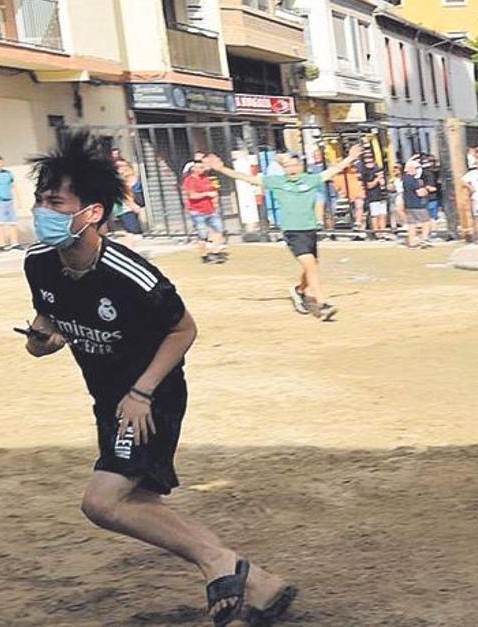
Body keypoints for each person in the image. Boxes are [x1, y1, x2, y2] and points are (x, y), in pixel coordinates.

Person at [21, 131, 296, 626]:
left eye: (55, 203)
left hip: (151, 397)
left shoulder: (132, 275)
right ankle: (260, 584)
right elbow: (49, 317)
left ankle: (219, 564)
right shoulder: (38, 264)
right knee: (139, 504)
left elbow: (183, 329)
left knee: (102, 502)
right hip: (106, 399)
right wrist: (43, 338)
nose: (44, 211)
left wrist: (142, 392)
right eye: (41, 201)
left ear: (92, 213)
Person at [208, 145, 362, 321]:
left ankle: (299, 291)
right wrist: (222, 169)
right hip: (292, 231)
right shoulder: (277, 182)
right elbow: (247, 178)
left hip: (309, 229)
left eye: (295, 165)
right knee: (311, 266)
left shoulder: (311, 180)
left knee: (311, 267)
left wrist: (350, 158)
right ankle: (323, 304)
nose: (292, 169)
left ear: (301, 166)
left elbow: (333, 170)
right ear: (283, 168)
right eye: (288, 166)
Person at [182, 163, 227, 264]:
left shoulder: (207, 179)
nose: (203, 169)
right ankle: (204, 256)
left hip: (211, 210)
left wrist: (215, 203)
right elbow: (192, 196)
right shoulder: (189, 180)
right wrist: (207, 194)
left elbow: (214, 191)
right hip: (197, 211)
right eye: (201, 167)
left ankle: (216, 253)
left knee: (219, 231)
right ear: (194, 169)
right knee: (203, 234)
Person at [0, 154, 20, 251]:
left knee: (13, 222)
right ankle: (2, 245)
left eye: (0, 162)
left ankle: (14, 243)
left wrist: (18, 200)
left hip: (9, 200)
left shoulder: (8, 174)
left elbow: (13, 187)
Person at [401, 157, 435, 249]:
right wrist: (427, 190)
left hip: (409, 205)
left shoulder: (405, 179)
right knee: (426, 222)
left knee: (412, 224)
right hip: (418, 205)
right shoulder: (412, 180)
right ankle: (425, 240)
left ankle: (412, 243)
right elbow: (420, 193)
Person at [112, 160, 146, 248]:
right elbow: (124, 196)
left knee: (132, 233)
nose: (121, 169)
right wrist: (133, 206)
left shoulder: (134, 177)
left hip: (133, 207)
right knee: (134, 233)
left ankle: (131, 249)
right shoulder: (118, 180)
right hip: (125, 209)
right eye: (117, 167)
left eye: (123, 166)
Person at [360, 153, 389, 238]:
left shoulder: (379, 170)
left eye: (371, 161)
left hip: (382, 195)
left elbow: (384, 184)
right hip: (373, 196)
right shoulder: (366, 173)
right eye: (367, 162)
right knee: (375, 215)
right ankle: (377, 232)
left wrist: (382, 181)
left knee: (383, 214)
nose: (370, 164)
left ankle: (383, 231)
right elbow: (369, 185)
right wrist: (377, 179)